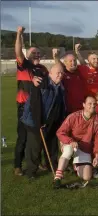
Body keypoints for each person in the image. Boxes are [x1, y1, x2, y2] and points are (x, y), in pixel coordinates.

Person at [21, 63, 67, 179]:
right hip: (35, 121)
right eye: (58, 72)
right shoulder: (42, 83)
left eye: (62, 73)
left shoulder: (60, 86)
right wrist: (38, 123)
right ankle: (31, 171)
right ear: (50, 73)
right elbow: (35, 104)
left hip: (51, 121)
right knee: (34, 148)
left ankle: (52, 166)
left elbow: (59, 105)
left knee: (52, 146)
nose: (60, 75)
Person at [13, 26, 49, 176]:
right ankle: (17, 165)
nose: (36, 55)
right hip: (24, 107)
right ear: (27, 55)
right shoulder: (24, 65)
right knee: (23, 137)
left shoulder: (42, 69)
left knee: (38, 136)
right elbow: (18, 50)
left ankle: (36, 161)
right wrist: (19, 34)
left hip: (38, 106)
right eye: (33, 53)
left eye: (38, 53)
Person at [54, 95, 98, 188]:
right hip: (70, 144)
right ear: (84, 105)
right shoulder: (73, 116)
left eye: (94, 104)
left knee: (87, 177)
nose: (92, 106)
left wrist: (96, 156)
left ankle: (75, 165)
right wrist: (70, 141)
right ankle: (58, 177)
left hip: (85, 148)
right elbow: (60, 132)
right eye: (89, 103)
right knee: (68, 151)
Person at [53, 45, 86, 114]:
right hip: (67, 110)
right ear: (65, 63)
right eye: (70, 61)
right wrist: (55, 57)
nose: (73, 63)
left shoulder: (79, 71)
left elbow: (84, 65)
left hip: (81, 109)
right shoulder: (63, 73)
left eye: (74, 60)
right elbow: (58, 64)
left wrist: (77, 52)